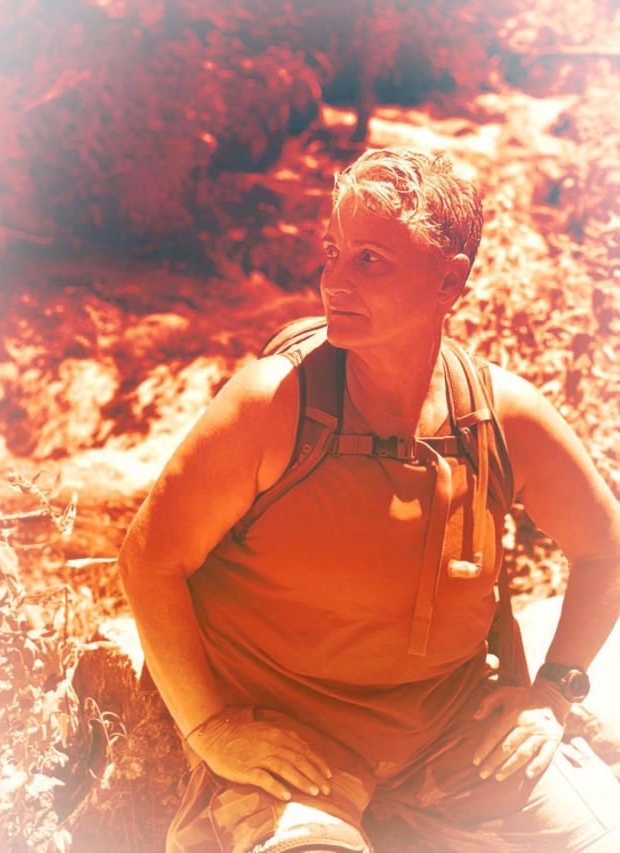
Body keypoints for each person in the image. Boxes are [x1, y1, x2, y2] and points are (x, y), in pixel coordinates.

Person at [118, 148, 620, 852]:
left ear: (450, 280)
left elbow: (605, 549)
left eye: (370, 260)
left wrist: (555, 690)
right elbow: (149, 560)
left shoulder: (499, 418)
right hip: (293, 753)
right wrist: (212, 728)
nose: (333, 280)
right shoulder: (273, 404)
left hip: (457, 741)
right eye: (333, 252)